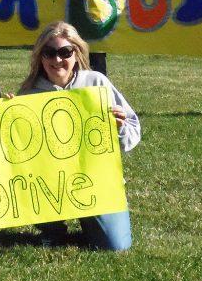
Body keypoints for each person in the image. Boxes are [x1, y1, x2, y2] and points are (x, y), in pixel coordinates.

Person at [18, 21, 140, 251]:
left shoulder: (96, 83)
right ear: (40, 56)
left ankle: (92, 223)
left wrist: (119, 127)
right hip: (51, 184)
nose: (56, 60)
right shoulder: (28, 93)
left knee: (115, 246)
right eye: (49, 52)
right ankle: (52, 228)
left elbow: (133, 132)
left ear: (77, 52)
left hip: (96, 181)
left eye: (65, 52)